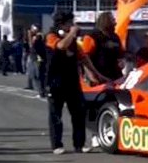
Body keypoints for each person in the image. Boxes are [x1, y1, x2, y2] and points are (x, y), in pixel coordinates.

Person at [45, 11, 95, 154]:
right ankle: (57, 145)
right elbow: (60, 46)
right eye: (70, 23)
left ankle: (79, 144)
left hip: (72, 80)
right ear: (62, 24)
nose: (72, 25)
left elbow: (83, 57)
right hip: (55, 81)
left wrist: (94, 73)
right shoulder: (51, 36)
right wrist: (72, 33)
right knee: (56, 114)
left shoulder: (72, 40)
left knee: (79, 112)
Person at [88, 12, 125, 83]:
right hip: (99, 76)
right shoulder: (93, 36)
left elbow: (120, 55)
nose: (115, 23)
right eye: (113, 20)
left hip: (115, 75)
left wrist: (122, 62)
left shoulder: (116, 37)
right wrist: (91, 75)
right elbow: (85, 57)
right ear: (106, 21)